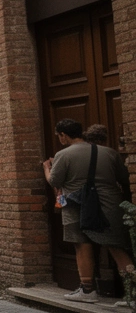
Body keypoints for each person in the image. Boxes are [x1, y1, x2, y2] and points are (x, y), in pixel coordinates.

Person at [45, 120, 134, 302]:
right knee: (115, 246)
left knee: (81, 245)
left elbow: (55, 181)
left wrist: (47, 168)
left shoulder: (63, 154)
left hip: (76, 205)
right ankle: (132, 292)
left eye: (59, 136)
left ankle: (87, 291)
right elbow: (125, 177)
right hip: (108, 203)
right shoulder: (109, 153)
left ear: (63, 135)